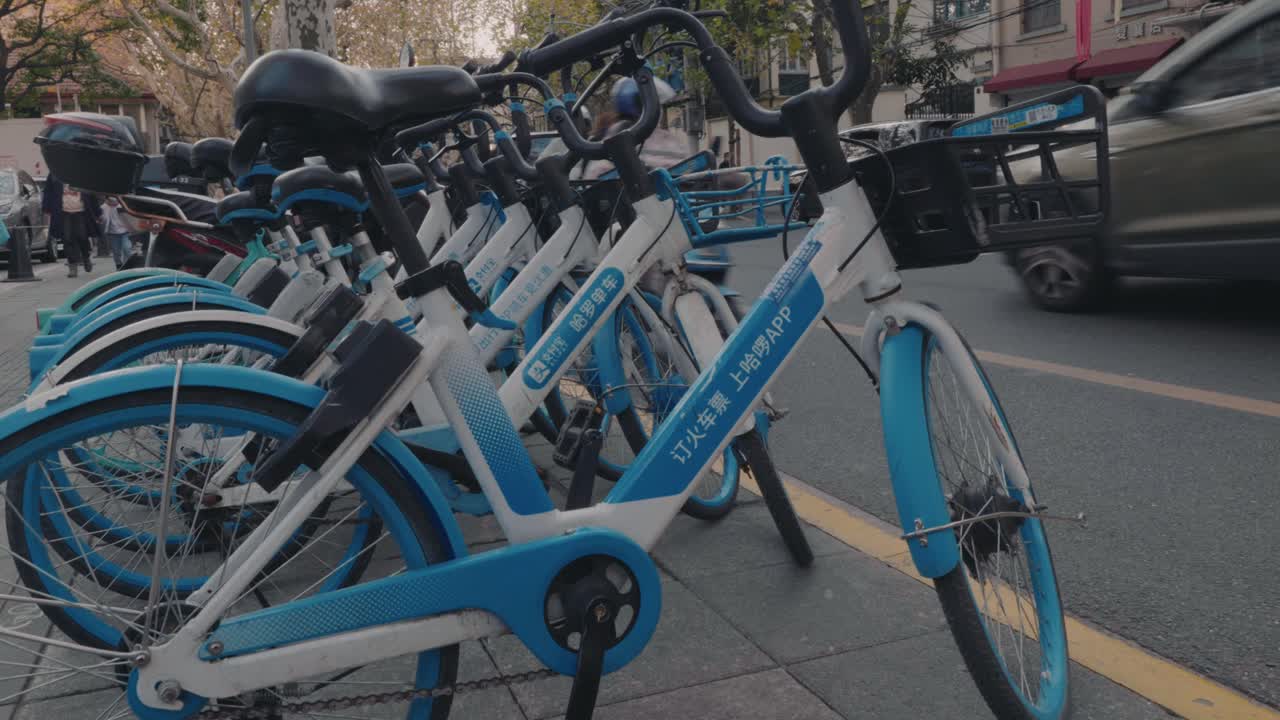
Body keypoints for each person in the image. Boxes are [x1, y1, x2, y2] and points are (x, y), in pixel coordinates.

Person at [42, 174, 102, 277]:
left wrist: (97, 212)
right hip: (63, 212)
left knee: (82, 237)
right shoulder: (54, 173)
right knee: (67, 239)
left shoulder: (81, 171)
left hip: (81, 211)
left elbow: (92, 193)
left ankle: (86, 257)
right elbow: (48, 191)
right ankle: (72, 267)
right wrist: (46, 208)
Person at [99, 195, 134, 269]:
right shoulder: (103, 207)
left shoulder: (122, 206)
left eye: (115, 201)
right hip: (112, 233)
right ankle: (118, 265)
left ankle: (127, 266)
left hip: (125, 231)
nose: (114, 203)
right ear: (107, 200)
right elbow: (102, 220)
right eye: (111, 201)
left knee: (127, 248)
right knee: (116, 252)